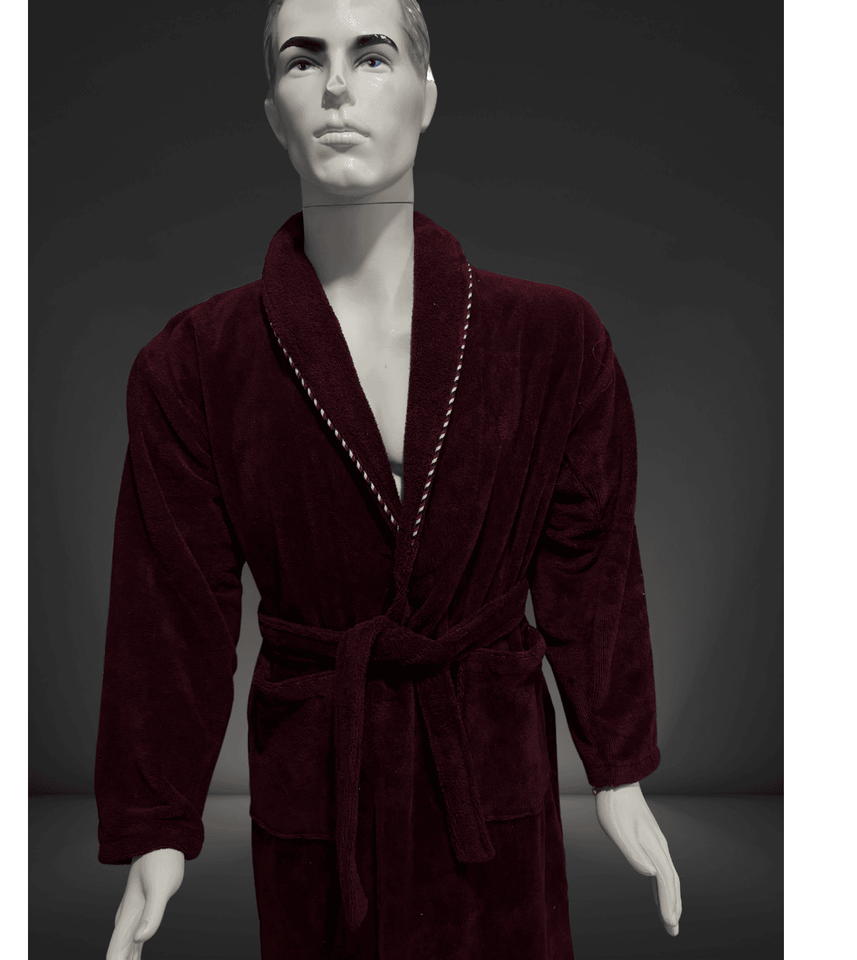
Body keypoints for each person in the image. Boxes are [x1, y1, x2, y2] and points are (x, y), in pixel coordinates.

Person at [95, 0, 682, 957]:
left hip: (488, 783)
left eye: (372, 56)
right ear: (273, 111)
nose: (336, 86)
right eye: (303, 61)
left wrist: (618, 769)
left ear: (427, 93)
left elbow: (592, 570)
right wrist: (156, 827)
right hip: (320, 793)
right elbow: (171, 614)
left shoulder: (553, 342)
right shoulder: (195, 366)